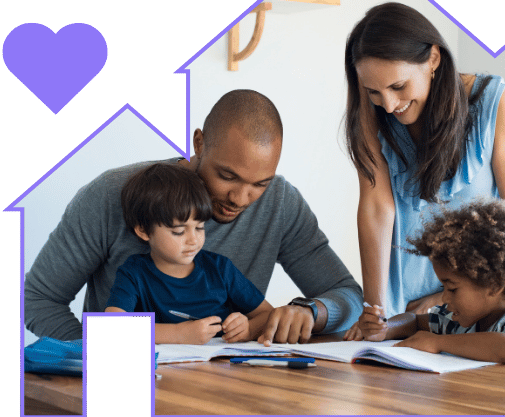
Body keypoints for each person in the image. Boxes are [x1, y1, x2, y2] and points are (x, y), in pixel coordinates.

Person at [25, 90, 363, 343]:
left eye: (259, 183)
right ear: (199, 143)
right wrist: (94, 357)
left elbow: (347, 295)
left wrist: (312, 312)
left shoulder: (280, 202)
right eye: (227, 176)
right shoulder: (111, 195)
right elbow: (37, 299)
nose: (240, 198)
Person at [342, 3, 505, 339]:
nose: (388, 104)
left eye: (398, 87)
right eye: (374, 92)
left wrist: (444, 298)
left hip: (482, 308)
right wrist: (375, 310)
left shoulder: (494, 100)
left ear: (433, 59)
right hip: (401, 313)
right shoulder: (372, 115)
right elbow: (377, 208)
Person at [358, 199, 505, 363]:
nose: (444, 298)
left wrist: (437, 342)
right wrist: (385, 329)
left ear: (494, 285)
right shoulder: (458, 320)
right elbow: (414, 321)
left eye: (452, 289)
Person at [104, 163, 274, 344]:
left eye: (200, 228)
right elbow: (112, 328)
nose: (193, 240)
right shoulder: (134, 273)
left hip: (220, 368)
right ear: (144, 231)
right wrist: (179, 334)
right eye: (178, 231)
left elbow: (268, 314)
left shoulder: (220, 269)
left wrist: (248, 328)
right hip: (164, 370)